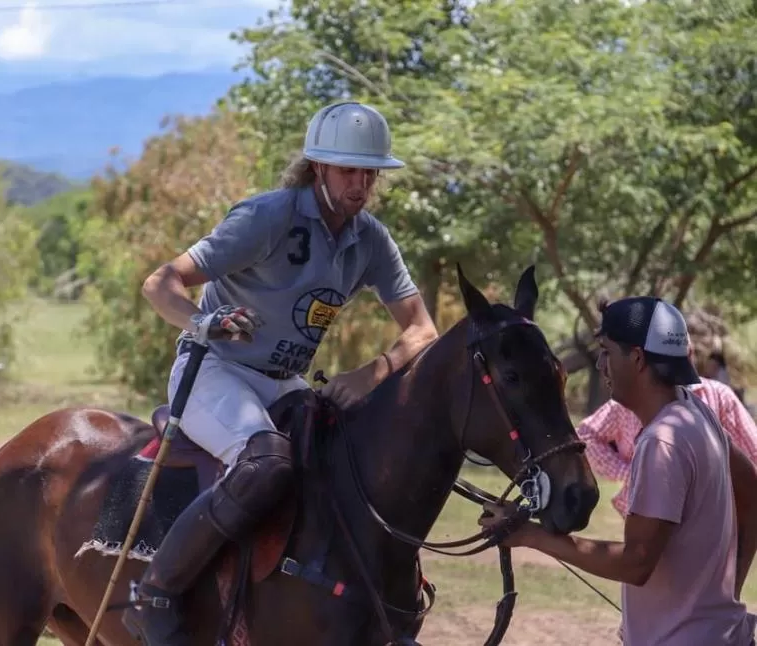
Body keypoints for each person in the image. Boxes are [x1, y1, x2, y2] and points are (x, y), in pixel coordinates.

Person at [122, 101, 439, 645]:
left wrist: (372, 372)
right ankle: (156, 595)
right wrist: (205, 321)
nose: (360, 183)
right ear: (317, 166)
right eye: (348, 170)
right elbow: (160, 283)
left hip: (284, 381)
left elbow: (422, 330)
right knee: (266, 463)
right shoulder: (267, 216)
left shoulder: (371, 240)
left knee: (341, 460)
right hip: (214, 371)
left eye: (370, 172)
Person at [480, 296, 757, 646]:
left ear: (638, 359)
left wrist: (528, 535)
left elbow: (636, 563)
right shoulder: (697, 412)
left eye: (607, 352)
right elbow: (753, 492)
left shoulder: (663, 443)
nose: (599, 364)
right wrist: (725, 592)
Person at [578, 339, 757, 518]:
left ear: (689, 355)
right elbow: (587, 435)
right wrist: (627, 472)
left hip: (710, 521)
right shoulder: (627, 402)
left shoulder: (718, 396)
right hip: (647, 517)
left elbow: (754, 451)